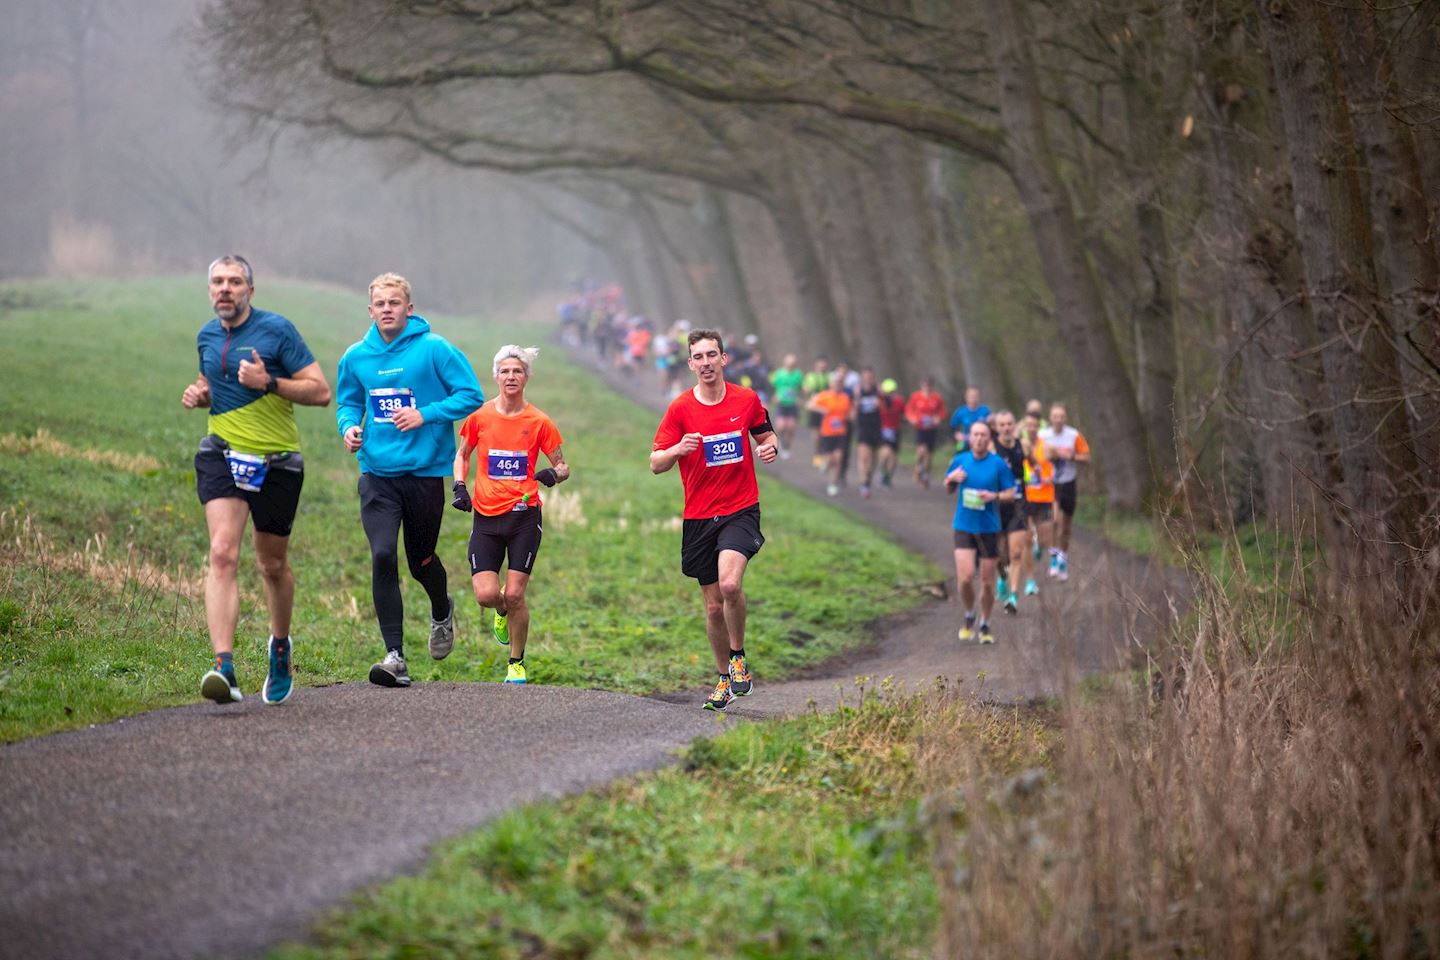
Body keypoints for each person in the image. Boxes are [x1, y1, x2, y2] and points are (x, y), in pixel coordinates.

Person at [183, 255, 333, 705]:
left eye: (234, 281)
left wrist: (269, 382)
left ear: (251, 289)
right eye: (217, 282)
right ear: (209, 289)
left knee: (271, 565)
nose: (224, 289)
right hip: (222, 452)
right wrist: (201, 392)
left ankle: (280, 647)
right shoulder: (207, 335)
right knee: (222, 552)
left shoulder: (277, 331)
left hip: (276, 460)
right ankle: (223, 668)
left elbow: (321, 391)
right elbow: (211, 375)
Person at [336, 273, 486, 688]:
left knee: (421, 561)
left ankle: (442, 608)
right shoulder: (356, 356)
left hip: (423, 475)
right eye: (380, 304)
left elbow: (471, 394)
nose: (387, 309)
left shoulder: (434, 349)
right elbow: (348, 401)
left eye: (395, 303)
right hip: (377, 475)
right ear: (370, 311)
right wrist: (348, 427)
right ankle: (394, 656)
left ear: (409, 308)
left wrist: (427, 413)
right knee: (383, 555)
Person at [651, 329, 778, 711]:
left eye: (711, 355)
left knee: (729, 584)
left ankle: (738, 657)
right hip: (699, 516)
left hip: (740, 508)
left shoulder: (747, 399)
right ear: (690, 364)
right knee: (711, 607)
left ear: (724, 359)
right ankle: (724, 677)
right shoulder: (680, 409)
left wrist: (770, 448)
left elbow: (766, 436)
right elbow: (655, 463)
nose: (705, 363)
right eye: (698, 357)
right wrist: (677, 448)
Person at [452, 346, 569, 685]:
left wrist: (553, 474)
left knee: (516, 594)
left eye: (517, 371)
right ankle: (501, 611)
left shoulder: (539, 421)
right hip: (486, 518)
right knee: (487, 595)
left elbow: (564, 466)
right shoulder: (480, 417)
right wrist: (460, 485)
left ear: (526, 377)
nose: (511, 377)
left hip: (524, 517)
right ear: (496, 376)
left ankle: (516, 662)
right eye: (505, 371)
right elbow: (462, 455)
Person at [944, 421, 1017, 645]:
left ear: (989, 438)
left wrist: (993, 497)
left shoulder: (998, 464)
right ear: (970, 437)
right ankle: (969, 614)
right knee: (965, 578)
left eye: (983, 435)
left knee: (986, 582)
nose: (979, 439)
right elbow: (948, 487)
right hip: (964, 525)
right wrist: (950, 479)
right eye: (975, 435)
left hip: (989, 528)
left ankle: (985, 623)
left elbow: (1011, 493)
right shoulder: (960, 460)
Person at [1037, 403, 1090, 581]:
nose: (1058, 419)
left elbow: (1086, 457)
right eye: (1055, 416)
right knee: (1054, 522)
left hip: (1068, 483)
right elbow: (1034, 457)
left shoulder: (1073, 435)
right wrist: (1047, 457)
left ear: (1065, 418)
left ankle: (1063, 559)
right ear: (1050, 418)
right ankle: (1053, 559)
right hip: (1050, 485)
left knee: (1065, 527)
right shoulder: (1042, 436)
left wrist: (1071, 456)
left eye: (1061, 416)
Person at [991, 410, 1029, 613]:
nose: (1006, 428)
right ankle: (1003, 577)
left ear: (1014, 425)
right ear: (997, 428)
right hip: (996, 505)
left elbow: (1035, 461)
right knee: (998, 555)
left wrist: (1039, 469)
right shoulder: (991, 447)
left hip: (1018, 503)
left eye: (1009, 424)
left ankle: (1013, 596)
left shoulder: (1022, 445)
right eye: (1002, 424)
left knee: (1015, 553)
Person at [1020, 412, 1056, 597]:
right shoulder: (1021, 446)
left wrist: (1051, 477)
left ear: (1039, 428)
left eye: (1035, 425)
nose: (1032, 428)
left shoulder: (1047, 447)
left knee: (1043, 539)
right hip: (1026, 498)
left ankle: (1039, 547)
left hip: (1043, 497)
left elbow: (1056, 468)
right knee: (1026, 538)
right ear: (1024, 428)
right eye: (1028, 425)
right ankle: (1030, 580)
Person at [807, 371, 853, 497]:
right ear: (831, 384)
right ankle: (825, 464)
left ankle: (832, 484)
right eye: (836, 383)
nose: (838, 385)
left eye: (840, 383)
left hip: (841, 433)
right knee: (830, 459)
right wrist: (822, 410)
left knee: (838, 459)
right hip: (827, 432)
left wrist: (851, 416)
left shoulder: (845, 398)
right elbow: (810, 405)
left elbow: (850, 412)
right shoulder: (825, 396)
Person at [904, 377, 946, 488]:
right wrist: (912, 418)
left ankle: (925, 474)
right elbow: (909, 410)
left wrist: (938, 418)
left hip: (931, 429)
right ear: (921, 386)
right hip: (920, 428)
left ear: (931, 387)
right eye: (924, 386)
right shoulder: (915, 397)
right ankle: (918, 467)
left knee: (929, 455)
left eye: (928, 386)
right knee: (921, 451)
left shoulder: (937, 398)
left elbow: (942, 412)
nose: (926, 388)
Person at [853, 367, 884, 498]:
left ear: (873, 378)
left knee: (873, 459)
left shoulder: (878, 391)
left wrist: (880, 402)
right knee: (863, 457)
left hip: (876, 427)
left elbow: (886, 408)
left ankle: (868, 479)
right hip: (863, 426)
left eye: (870, 377)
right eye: (865, 377)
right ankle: (863, 483)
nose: (867, 379)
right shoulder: (857, 391)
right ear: (862, 378)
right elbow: (852, 409)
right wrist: (857, 400)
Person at [769, 353, 805, 459]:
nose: (791, 365)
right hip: (782, 403)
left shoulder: (798, 374)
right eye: (789, 363)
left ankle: (787, 446)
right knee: (781, 426)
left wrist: (802, 397)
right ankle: (780, 442)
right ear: (785, 363)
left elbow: (801, 388)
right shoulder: (779, 374)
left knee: (791, 427)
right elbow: (772, 387)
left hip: (793, 404)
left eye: (793, 363)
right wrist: (775, 396)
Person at [877, 378, 907, 489]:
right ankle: (882, 472)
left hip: (895, 431)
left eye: (892, 392)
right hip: (883, 430)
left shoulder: (899, 401)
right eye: (887, 392)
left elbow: (904, 414)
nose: (890, 394)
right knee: (885, 454)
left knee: (893, 457)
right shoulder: (880, 400)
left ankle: (888, 477)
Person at [802, 356, 831, 468]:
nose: (822, 367)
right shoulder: (810, 377)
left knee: (825, 434)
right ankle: (817, 453)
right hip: (815, 409)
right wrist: (806, 390)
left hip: (826, 409)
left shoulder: (829, 377)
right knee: (816, 435)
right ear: (816, 366)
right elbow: (805, 390)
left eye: (824, 366)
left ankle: (824, 455)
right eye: (820, 365)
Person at [950, 386, 991, 454]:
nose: (973, 398)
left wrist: (991, 421)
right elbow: (952, 428)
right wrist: (957, 435)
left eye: (976, 396)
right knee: (959, 449)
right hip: (965, 441)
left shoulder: (985, 411)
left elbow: (991, 428)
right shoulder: (960, 412)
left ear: (979, 397)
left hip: (981, 440)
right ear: (966, 398)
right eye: (971, 396)